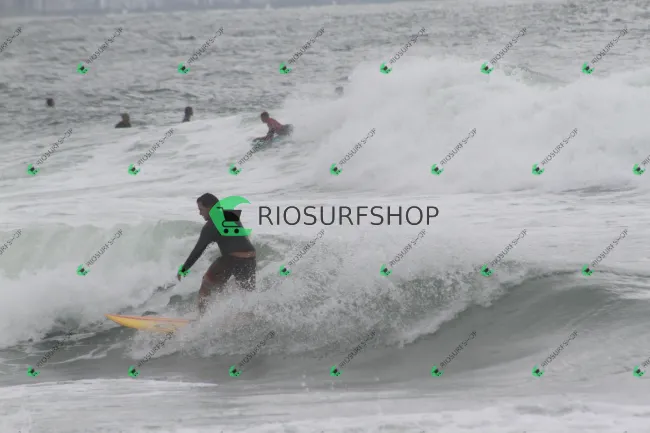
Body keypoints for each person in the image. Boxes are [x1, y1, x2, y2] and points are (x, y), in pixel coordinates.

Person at [177, 193, 256, 316]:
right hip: (250, 257)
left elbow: (198, 250)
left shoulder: (210, 226)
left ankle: (201, 319)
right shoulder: (231, 215)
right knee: (246, 292)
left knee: (206, 285)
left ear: (210, 208)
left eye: (201, 209)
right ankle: (245, 317)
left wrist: (184, 268)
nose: (200, 213)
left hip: (231, 259)